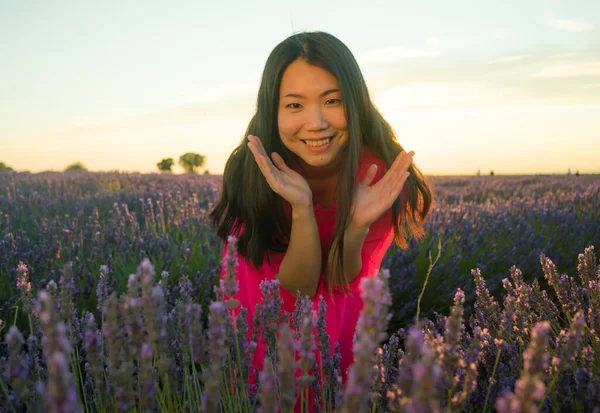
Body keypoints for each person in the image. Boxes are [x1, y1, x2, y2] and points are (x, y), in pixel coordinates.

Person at [209, 31, 433, 408]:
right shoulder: (253, 171)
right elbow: (295, 288)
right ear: (272, 110)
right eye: (294, 106)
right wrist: (302, 208)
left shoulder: (378, 175)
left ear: (356, 103)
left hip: (337, 320)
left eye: (332, 101)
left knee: (328, 393)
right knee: (254, 390)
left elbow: (341, 279)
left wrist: (356, 225)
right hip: (261, 314)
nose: (315, 123)